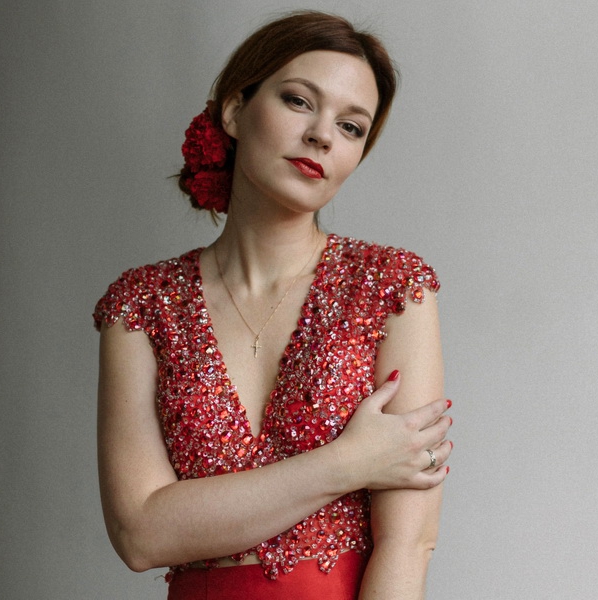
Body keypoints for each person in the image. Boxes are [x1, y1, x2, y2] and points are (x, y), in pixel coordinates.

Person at [93, 11, 451, 600]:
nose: (322, 136)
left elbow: (408, 545)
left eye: (351, 127)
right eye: (298, 101)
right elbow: (140, 534)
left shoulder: (392, 286)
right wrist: (350, 463)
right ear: (235, 110)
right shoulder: (142, 304)